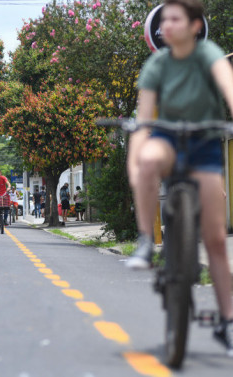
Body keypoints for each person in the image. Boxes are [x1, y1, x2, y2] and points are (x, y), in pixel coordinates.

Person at [127, 0, 233, 353]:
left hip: (204, 143)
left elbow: (228, 88)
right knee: (148, 158)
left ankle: (228, 321)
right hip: (168, 140)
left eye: (175, 19)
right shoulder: (157, 63)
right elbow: (144, 120)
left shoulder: (208, 55)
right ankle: (146, 241)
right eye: (164, 20)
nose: (166, 26)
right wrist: (137, 162)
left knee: (216, 241)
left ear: (194, 26)